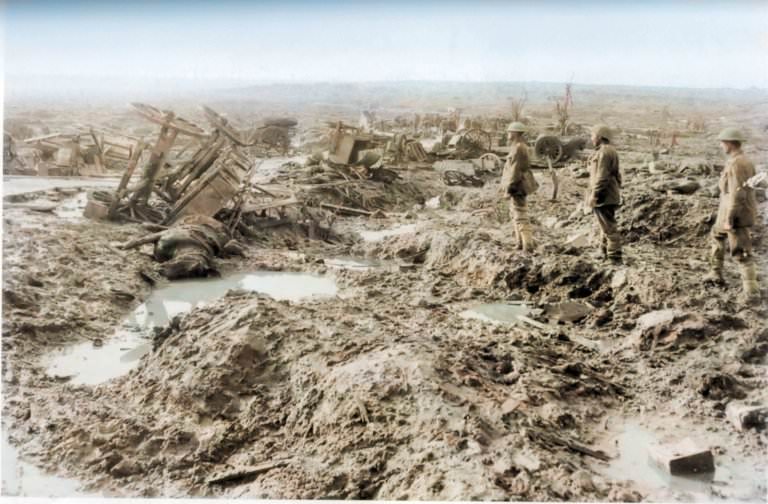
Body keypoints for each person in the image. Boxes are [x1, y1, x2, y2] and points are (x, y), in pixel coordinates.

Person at [705, 128, 759, 303]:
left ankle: (751, 293)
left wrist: (729, 218)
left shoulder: (738, 164)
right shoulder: (738, 161)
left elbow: (738, 194)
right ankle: (716, 273)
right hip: (727, 210)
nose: (721, 146)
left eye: (723, 143)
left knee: (741, 251)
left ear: (729, 143)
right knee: (716, 235)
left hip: (736, 214)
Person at [500, 122, 538, 251]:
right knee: (515, 214)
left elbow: (515, 171)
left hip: (517, 186)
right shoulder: (519, 146)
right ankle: (520, 243)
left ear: (515, 133)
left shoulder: (518, 148)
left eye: (510, 132)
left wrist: (509, 189)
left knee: (520, 215)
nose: (508, 134)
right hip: (518, 185)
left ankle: (527, 245)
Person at [586, 124, 622, 263]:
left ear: (600, 137)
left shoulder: (604, 153)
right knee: (604, 226)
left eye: (593, 135)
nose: (591, 138)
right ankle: (604, 252)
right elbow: (617, 176)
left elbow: (602, 176)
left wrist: (594, 195)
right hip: (608, 194)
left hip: (604, 195)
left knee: (609, 228)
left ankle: (614, 257)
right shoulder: (608, 151)